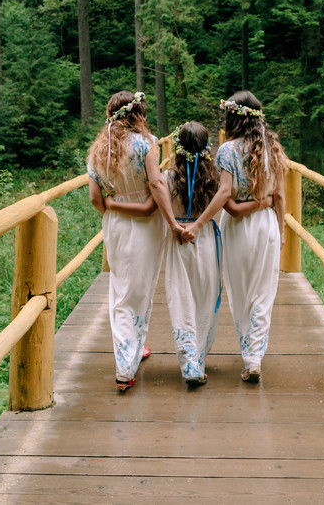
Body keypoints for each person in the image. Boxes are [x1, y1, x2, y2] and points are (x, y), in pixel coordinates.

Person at [184, 91, 284, 383]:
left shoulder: (227, 151)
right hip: (266, 226)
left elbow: (227, 197)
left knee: (240, 293)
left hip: (238, 230)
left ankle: (248, 353)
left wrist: (200, 223)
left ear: (232, 118)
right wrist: (282, 230)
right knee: (263, 293)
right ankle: (254, 358)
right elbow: (278, 195)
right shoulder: (273, 149)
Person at [87, 91, 182, 392]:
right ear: (137, 114)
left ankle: (134, 348)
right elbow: (156, 184)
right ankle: (125, 366)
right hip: (145, 225)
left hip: (115, 225)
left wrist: (112, 209)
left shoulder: (98, 151)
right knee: (140, 289)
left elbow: (94, 197)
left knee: (121, 288)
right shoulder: (145, 145)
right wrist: (172, 222)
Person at [161, 122, 227, 388]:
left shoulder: (167, 177)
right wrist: (198, 225)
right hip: (205, 236)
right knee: (204, 298)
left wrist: (175, 227)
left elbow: (159, 208)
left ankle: (189, 362)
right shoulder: (217, 179)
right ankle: (197, 357)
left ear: (177, 147)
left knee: (181, 298)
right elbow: (222, 207)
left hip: (179, 240)